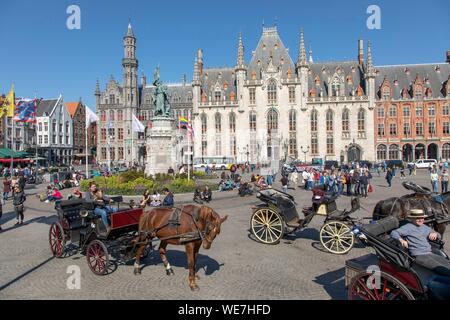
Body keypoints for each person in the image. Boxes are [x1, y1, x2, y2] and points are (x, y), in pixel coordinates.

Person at [390, 209, 450, 277]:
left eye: (422, 217)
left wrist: (434, 233)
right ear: (412, 219)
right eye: (418, 218)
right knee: (443, 269)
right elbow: (394, 233)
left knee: (448, 263)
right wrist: (401, 240)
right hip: (419, 256)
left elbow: (439, 235)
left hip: (429, 253)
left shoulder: (424, 227)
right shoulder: (408, 227)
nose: (421, 219)